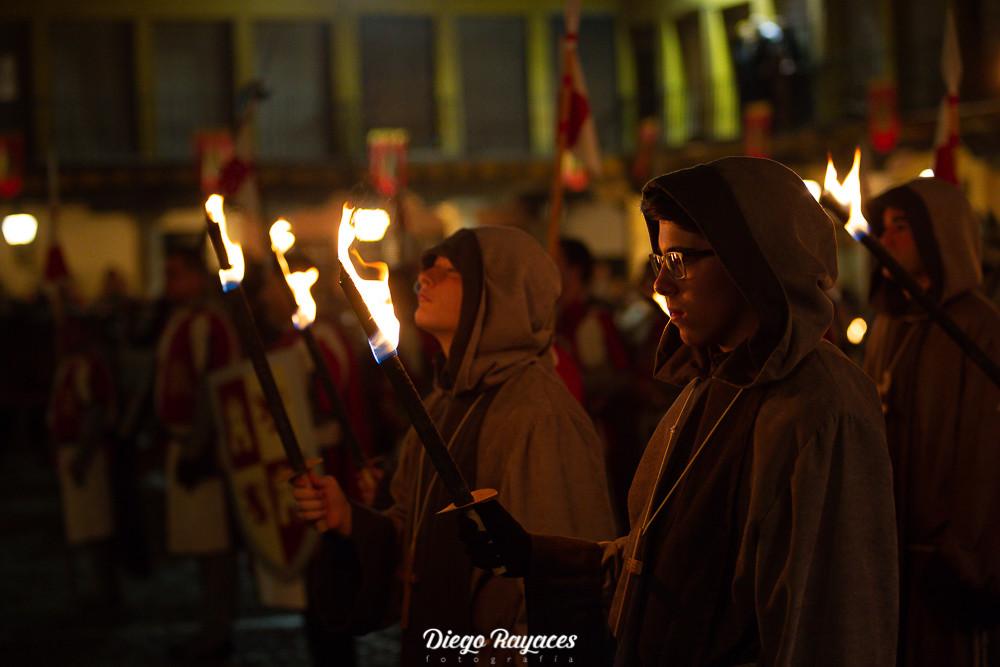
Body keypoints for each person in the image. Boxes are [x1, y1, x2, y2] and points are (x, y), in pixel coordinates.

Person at [459, 157, 900, 666]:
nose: (662, 287)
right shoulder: (704, 388)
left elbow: (833, 629)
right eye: (659, 263)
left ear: (751, 259)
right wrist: (539, 556)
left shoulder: (821, 407)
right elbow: (660, 570)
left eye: (680, 262)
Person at [292, 225, 617, 665]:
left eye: (448, 272)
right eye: (428, 269)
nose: (424, 279)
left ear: (495, 295)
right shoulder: (443, 401)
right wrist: (351, 520)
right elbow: (412, 530)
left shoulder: (540, 414)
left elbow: (561, 579)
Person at [862, 177, 1000, 667]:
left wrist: (966, 557)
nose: (887, 237)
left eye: (902, 226)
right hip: (889, 552)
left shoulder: (979, 326)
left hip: (947, 563)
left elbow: (985, 451)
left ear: (940, 232)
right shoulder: (886, 325)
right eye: (882, 226)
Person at [154, 246, 241, 662]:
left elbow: (213, 385)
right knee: (201, 547)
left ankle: (218, 631)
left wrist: (196, 448)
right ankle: (210, 627)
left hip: (203, 450)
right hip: (182, 443)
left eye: (174, 274)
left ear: (195, 277)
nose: (167, 283)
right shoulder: (181, 321)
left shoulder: (209, 323)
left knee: (214, 547)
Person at [47, 310, 120, 609]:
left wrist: (81, 455)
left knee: (95, 526)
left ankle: (103, 590)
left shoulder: (90, 367)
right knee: (81, 526)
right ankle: (91, 589)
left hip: (86, 456)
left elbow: (96, 411)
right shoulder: (69, 366)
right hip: (70, 452)